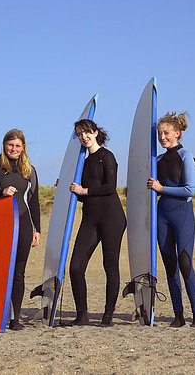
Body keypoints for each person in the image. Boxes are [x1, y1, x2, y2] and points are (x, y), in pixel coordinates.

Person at [0, 129, 41, 331]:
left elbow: (34, 202)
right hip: (0, 224)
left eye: (18, 145)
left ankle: (15, 319)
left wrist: (37, 229)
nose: (14, 149)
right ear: (4, 145)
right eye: (10, 145)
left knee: (19, 272)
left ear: (23, 147)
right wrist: (2, 192)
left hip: (23, 224)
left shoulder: (29, 170)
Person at [147, 112, 195, 328]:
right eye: (159, 134)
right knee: (170, 266)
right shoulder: (157, 160)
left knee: (185, 263)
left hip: (182, 214)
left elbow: (190, 191)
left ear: (177, 133)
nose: (162, 137)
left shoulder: (185, 155)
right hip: (162, 215)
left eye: (166, 133)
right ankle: (178, 316)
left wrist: (162, 188)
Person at [68, 119, 126, 327]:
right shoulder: (83, 162)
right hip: (90, 217)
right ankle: (82, 315)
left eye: (86, 132)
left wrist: (84, 191)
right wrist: (71, 188)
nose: (84, 137)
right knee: (75, 266)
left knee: (110, 266)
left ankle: (108, 316)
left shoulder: (106, 156)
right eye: (79, 134)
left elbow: (110, 187)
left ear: (95, 132)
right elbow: (84, 195)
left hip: (112, 217)